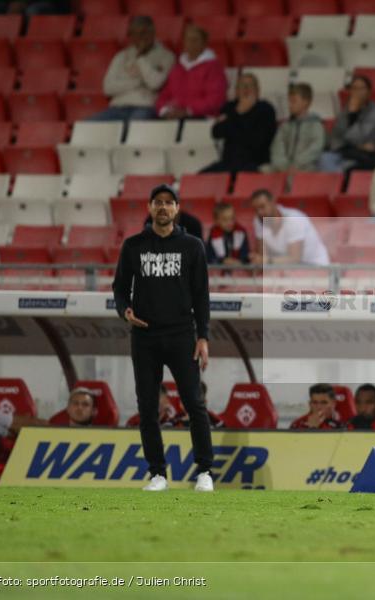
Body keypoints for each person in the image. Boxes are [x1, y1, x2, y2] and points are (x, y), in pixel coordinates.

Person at [112, 183, 214, 493]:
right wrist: (125, 311)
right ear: (149, 207)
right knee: (147, 408)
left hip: (182, 335)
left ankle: (205, 472)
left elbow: (202, 295)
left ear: (177, 209)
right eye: (158, 202)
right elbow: (119, 287)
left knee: (194, 404)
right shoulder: (133, 246)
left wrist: (203, 337)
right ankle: (158, 474)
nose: (163, 207)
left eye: (169, 203)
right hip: (144, 337)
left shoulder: (193, 246)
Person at [89, 16, 174, 123]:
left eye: (143, 33)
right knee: (85, 127)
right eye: (134, 34)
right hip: (117, 108)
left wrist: (140, 58)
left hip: (145, 107)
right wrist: (139, 82)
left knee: (133, 127)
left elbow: (155, 83)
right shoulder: (121, 56)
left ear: (152, 33)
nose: (140, 37)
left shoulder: (166, 56)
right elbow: (108, 88)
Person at [202, 73, 277, 174]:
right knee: (198, 179)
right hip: (228, 163)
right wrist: (239, 112)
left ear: (258, 90)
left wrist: (233, 122)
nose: (246, 89)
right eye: (242, 86)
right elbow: (216, 132)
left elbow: (257, 141)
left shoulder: (265, 109)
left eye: (250, 85)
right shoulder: (230, 107)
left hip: (255, 163)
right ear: (236, 91)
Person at [155, 25, 227, 120]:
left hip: (201, 116)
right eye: (188, 40)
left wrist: (188, 111)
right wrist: (164, 110)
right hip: (174, 114)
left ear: (204, 43)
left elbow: (215, 100)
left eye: (195, 40)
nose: (191, 43)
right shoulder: (178, 67)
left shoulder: (213, 68)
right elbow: (165, 94)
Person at [319, 75, 375, 173]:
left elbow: (359, 137)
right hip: (345, 152)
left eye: (361, 88)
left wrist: (353, 113)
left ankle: (339, 185)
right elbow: (335, 136)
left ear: (369, 92)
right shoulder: (346, 109)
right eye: (354, 88)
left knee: (344, 168)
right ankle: (335, 185)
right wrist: (357, 145)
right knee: (323, 158)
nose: (357, 92)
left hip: (364, 156)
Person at [249, 189, 329, 266]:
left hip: (315, 267)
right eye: (256, 210)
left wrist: (266, 260)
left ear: (273, 202)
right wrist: (256, 259)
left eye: (262, 207)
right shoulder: (258, 220)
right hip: (287, 270)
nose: (259, 212)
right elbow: (261, 254)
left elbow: (294, 258)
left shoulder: (294, 219)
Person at [262, 83, 326, 174]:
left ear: (306, 102)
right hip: (283, 167)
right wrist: (283, 165)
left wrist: (296, 164)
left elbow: (315, 148)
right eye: (289, 101)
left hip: (306, 167)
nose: (290, 105)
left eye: (294, 101)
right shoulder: (285, 126)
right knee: (262, 170)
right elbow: (277, 148)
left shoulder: (316, 125)